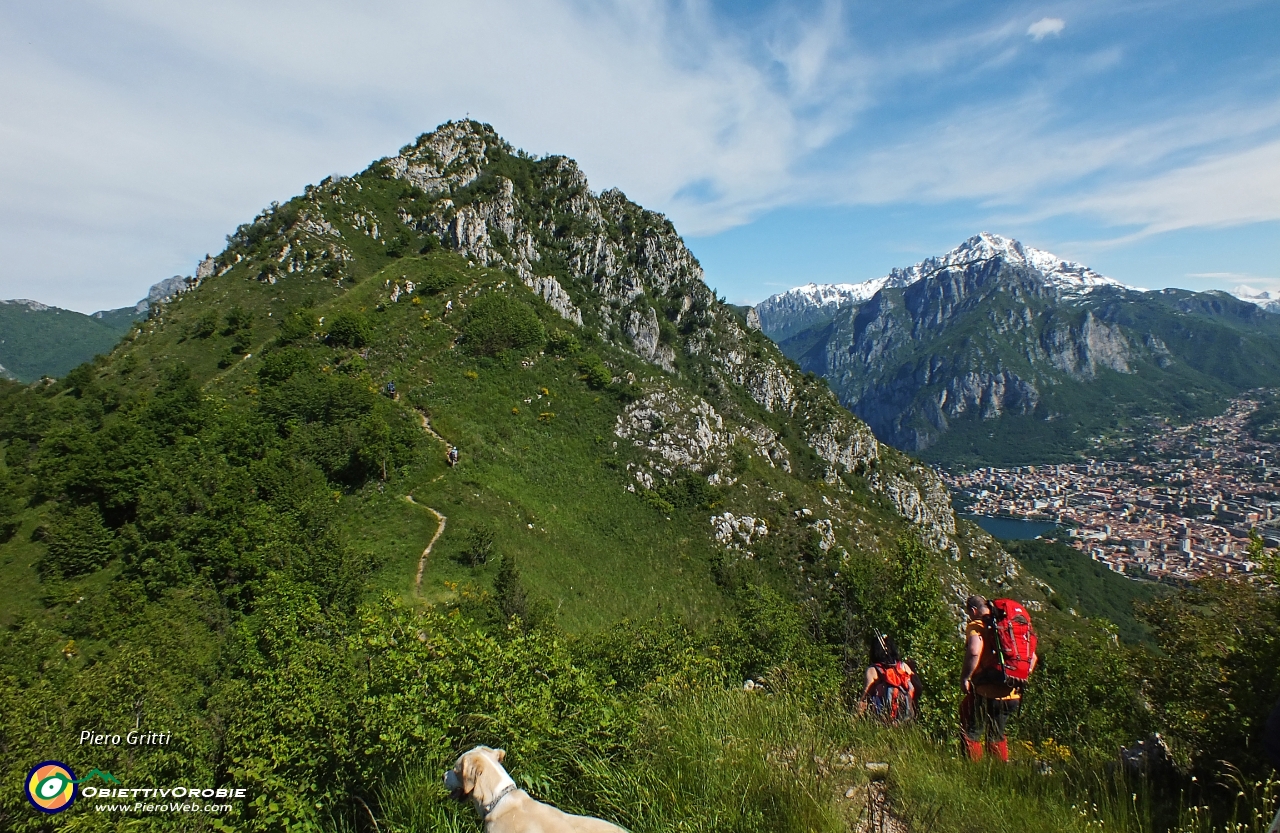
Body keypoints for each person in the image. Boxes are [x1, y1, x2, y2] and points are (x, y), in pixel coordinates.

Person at [959, 595, 1037, 762]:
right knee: (996, 735)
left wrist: (965, 677)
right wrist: (1016, 674)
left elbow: (974, 651)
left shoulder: (978, 626)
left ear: (973, 611)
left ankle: (972, 772)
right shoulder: (1006, 626)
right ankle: (999, 772)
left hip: (986, 691)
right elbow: (1033, 658)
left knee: (972, 732)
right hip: (1012, 692)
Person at [859, 633, 918, 724]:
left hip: (883, 721)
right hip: (905, 720)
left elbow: (864, 700)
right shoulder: (904, 667)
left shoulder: (873, 670)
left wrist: (854, 719)